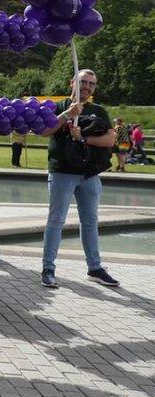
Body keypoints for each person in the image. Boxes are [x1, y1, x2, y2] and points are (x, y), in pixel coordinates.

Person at [39, 69, 119, 288]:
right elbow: (44, 130)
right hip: (62, 171)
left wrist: (83, 137)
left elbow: (111, 138)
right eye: (83, 82)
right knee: (56, 221)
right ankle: (48, 268)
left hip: (89, 175)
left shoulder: (98, 111)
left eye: (91, 84)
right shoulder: (59, 106)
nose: (87, 87)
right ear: (72, 82)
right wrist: (67, 114)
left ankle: (95, 268)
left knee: (90, 222)